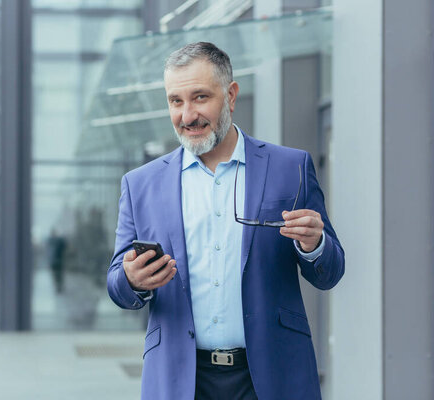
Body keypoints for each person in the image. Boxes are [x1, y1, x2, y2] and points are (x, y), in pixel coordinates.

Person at [107, 42, 344, 400]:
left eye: (200, 97)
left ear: (231, 95)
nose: (187, 115)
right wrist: (132, 279)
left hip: (272, 375)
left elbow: (330, 272)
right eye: (176, 101)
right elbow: (117, 286)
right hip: (180, 379)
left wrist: (314, 245)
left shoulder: (290, 168)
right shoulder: (140, 184)